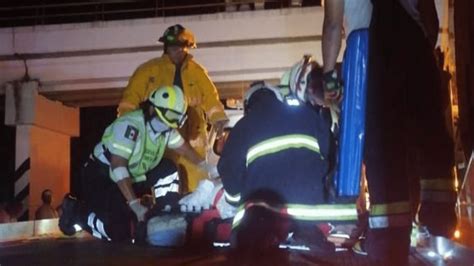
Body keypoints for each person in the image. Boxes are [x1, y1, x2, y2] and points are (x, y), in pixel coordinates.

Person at [179, 57, 358, 260]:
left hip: (265, 217)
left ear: (248, 106)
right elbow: (332, 156)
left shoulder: (244, 126)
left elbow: (228, 170)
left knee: (246, 244)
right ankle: (307, 234)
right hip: (313, 211)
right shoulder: (308, 116)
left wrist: (234, 201)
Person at [59, 85, 217, 242]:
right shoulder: (130, 126)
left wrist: (207, 166)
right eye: (170, 116)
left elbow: (185, 150)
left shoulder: (165, 128)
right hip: (102, 178)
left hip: (132, 176)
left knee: (167, 168)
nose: (171, 124)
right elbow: (118, 168)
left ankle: (166, 209)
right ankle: (76, 212)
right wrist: (135, 204)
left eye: (177, 119)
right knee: (117, 231)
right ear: (152, 110)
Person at [364, 0, 456, 264]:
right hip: (416, 51)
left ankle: (392, 241)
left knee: (388, 152)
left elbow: (336, 23)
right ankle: (437, 221)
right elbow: (430, 18)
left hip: (381, 59)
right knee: (429, 140)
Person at [118, 24, 228, 192]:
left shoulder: (197, 72)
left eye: (180, 47)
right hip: (162, 131)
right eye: (172, 47)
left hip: (193, 131)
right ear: (166, 47)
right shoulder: (149, 70)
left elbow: (210, 98)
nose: (177, 51)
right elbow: (130, 98)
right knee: (165, 176)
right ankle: (166, 209)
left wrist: (219, 119)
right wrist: (127, 125)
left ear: (188, 48)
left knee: (196, 178)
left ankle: (196, 209)